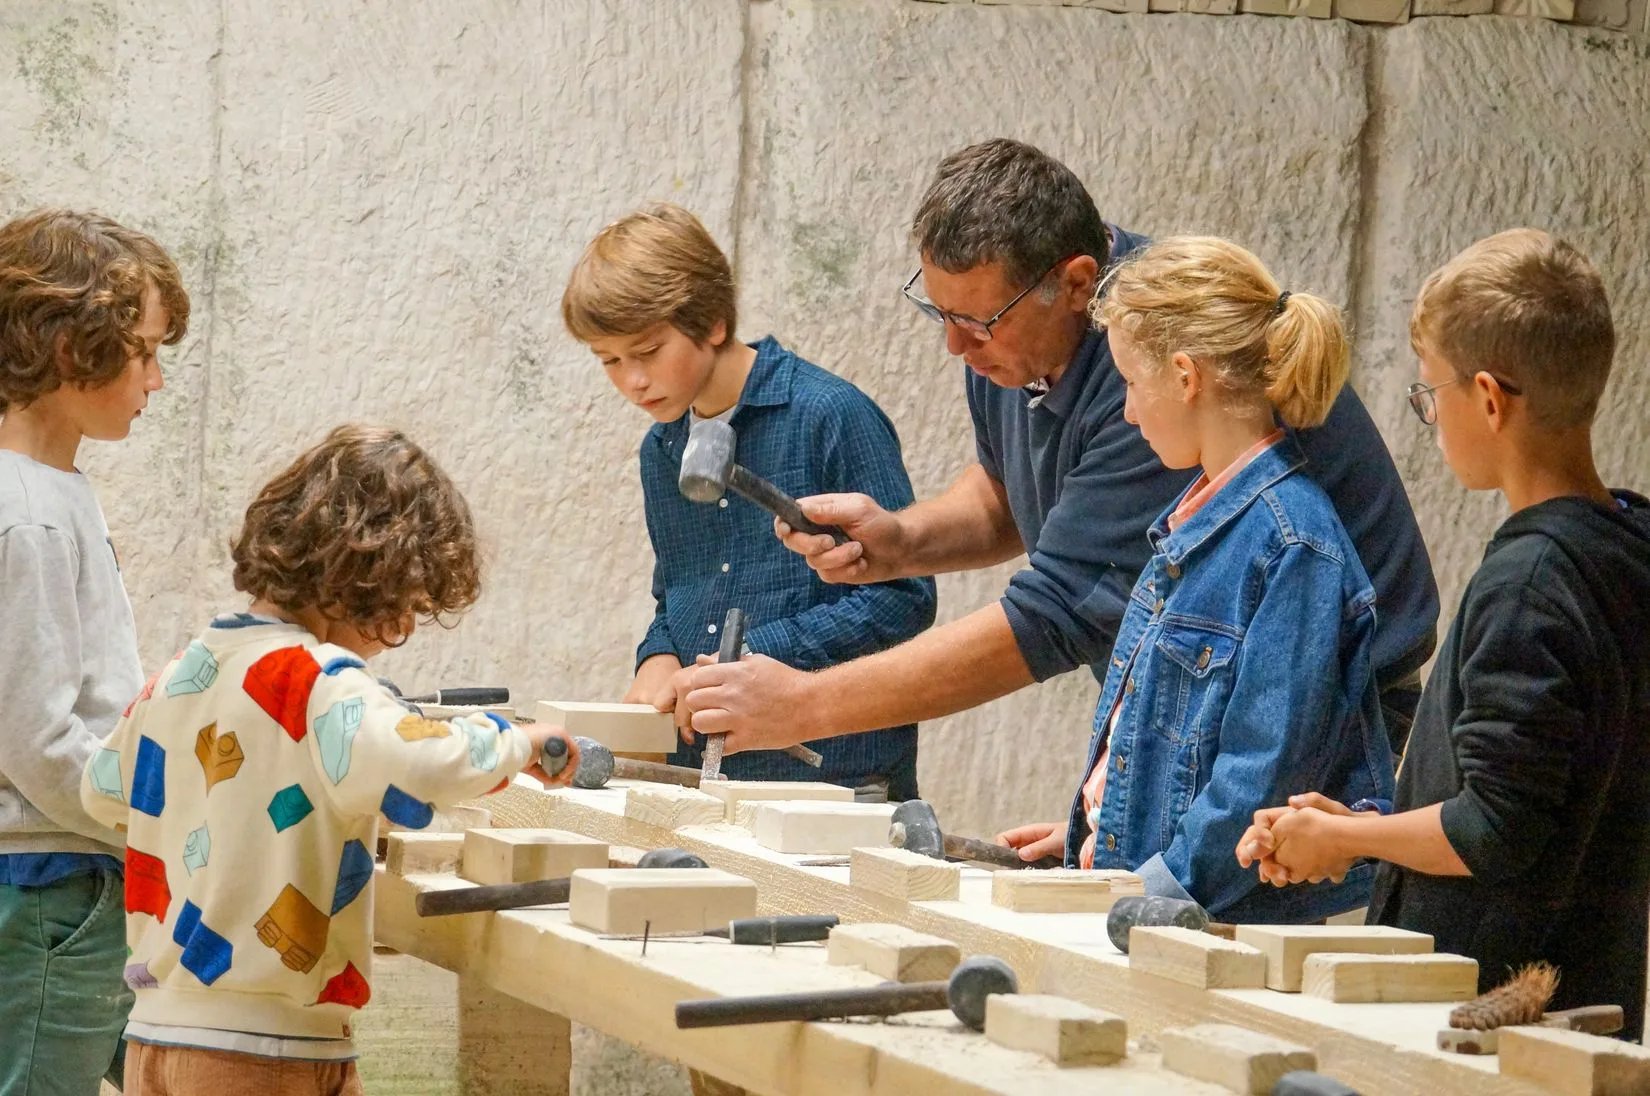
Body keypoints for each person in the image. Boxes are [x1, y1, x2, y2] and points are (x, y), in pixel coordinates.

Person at [682, 140, 1438, 814]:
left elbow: (1049, 621)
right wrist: (903, 540)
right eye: (936, 310)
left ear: (1078, 283)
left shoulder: (1157, 387)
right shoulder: (1016, 340)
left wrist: (803, 706)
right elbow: (1011, 494)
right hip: (1208, 728)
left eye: (977, 322)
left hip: (1330, 736)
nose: (954, 346)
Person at [1237, 229, 1650, 1038]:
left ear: (1489, 399)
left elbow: (1495, 828)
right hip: (1587, 1000)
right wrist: (1363, 820)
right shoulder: (1625, 545)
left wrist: (1349, 838)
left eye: (1430, 393)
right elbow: (1530, 783)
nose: (1430, 414)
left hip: (1488, 1022)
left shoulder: (1533, 582)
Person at [80, 424, 577, 1092]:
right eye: (401, 608)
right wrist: (516, 740)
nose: (395, 635)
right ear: (366, 577)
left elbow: (102, 790)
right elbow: (421, 763)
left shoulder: (186, 669)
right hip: (264, 1047)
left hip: (160, 1031)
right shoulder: (318, 679)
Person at [997, 237, 1392, 919]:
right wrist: (1097, 833)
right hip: (1148, 904)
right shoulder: (1194, 519)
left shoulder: (1293, 543)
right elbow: (1165, 748)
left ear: (1185, 376)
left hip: (1203, 927)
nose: (1126, 411)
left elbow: (1259, 778)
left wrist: (1138, 896)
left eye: (1130, 382)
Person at [561, 203, 935, 798]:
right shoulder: (662, 449)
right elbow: (678, 592)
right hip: (706, 784)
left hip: (837, 785)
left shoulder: (830, 416)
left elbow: (904, 601)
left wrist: (750, 657)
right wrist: (657, 656)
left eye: (648, 351)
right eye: (609, 361)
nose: (631, 380)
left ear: (712, 322)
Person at [0, 207, 190, 1095]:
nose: (156, 378)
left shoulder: (53, 488)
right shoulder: (27, 514)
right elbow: (36, 742)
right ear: (73, 351)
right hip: (48, 885)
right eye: (145, 351)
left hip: (68, 867)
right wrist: (168, 816)